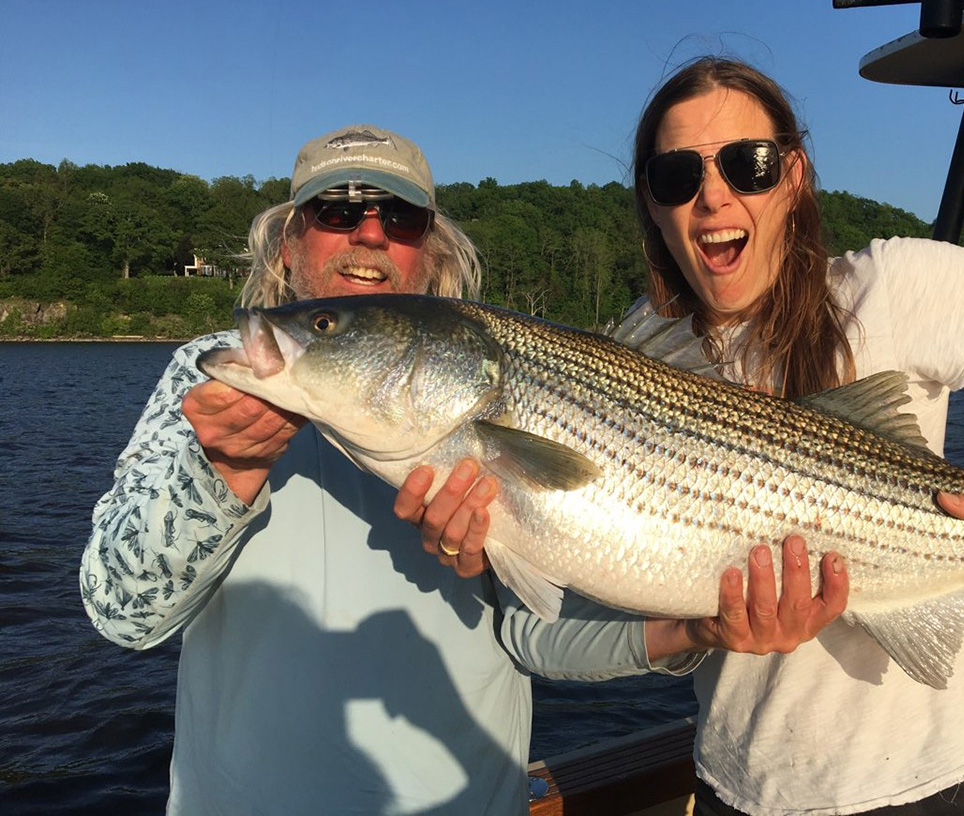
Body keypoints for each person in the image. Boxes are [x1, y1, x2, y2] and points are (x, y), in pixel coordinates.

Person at [401, 58, 964, 815]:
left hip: (932, 789)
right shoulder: (631, 347)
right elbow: (557, 623)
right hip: (738, 790)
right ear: (652, 201)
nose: (712, 196)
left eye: (748, 163)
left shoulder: (893, 286)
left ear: (794, 176)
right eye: (678, 175)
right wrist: (677, 618)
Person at [81, 122, 849, 815]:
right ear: (289, 244)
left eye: (401, 217)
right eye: (336, 212)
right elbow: (121, 611)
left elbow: (535, 634)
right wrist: (223, 473)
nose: (371, 234)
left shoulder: (490, 389)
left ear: (431, 252)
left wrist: (698, 625)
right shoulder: (209, 382)